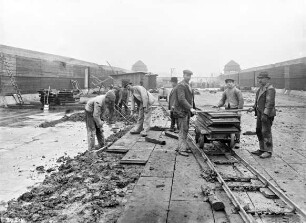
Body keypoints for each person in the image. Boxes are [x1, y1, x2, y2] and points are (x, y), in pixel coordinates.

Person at [248, 71, 276, 158]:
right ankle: (262, 149)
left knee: (266, 132)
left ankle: (268, 151)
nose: (259, 80)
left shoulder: (270, 89)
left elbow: (269, 103)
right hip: (260, 113)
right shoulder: (260, 89)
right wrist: (253, 107)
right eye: (258, 78)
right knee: (259, 130)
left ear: (267, 79)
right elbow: (258, 101)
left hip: (266, 114)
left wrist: (265, 114)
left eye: (261, 79)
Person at [213, 78, 244, 148]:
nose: (229, 84)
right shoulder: (225, 91)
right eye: (228, 83)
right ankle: (228, 139)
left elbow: (241, 100)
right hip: (227, 109)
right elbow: (222, 100)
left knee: (237, 125)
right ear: (226, 84)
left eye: (230, 82)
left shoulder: (237, 91)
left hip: (235, 110)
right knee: (227, 124)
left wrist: (239, 110)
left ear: (233, 83)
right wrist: (218, 105)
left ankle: (237, 141)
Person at [173, 70, 196, 156]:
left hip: (186, 111)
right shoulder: (181, 86)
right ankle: (181, 149)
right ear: (183, 75)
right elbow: (181, 99)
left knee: (185, 129)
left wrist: (193, 108)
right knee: (182, 130)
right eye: (187, 75)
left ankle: (182, 146)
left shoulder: (187, 85)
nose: (188, 77)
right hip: (181, 111)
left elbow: (190, 99)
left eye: (190, 76)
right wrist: (190, 108)